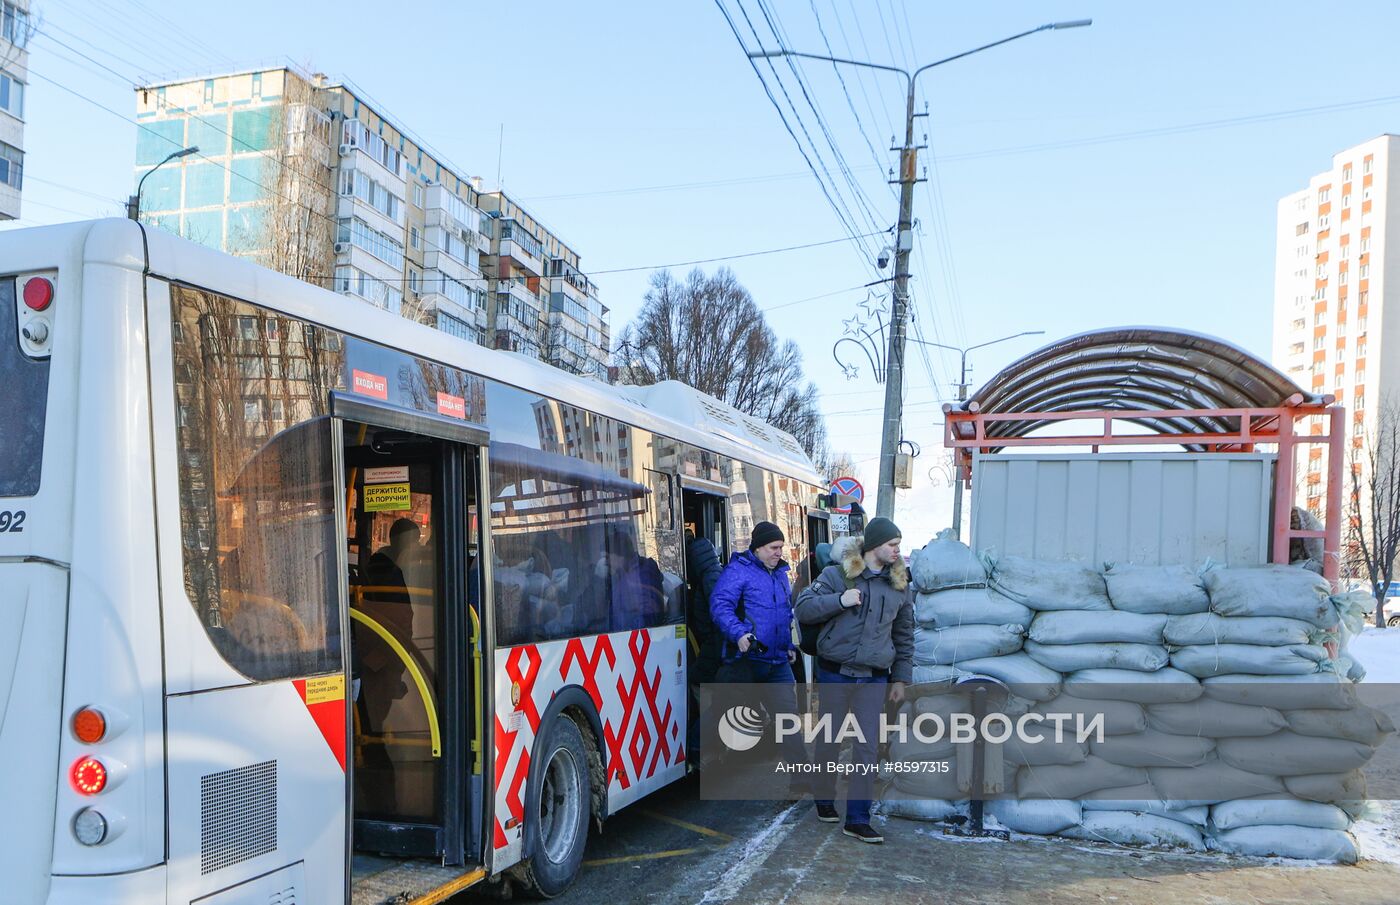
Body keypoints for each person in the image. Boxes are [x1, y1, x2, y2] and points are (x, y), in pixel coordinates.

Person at [795, 517, 915, 844]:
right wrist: (839, 601)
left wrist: (901, 678)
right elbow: (803, 609)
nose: (897, 551)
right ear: (875, 544)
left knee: (867, 747)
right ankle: (823, 797)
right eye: (892, 545)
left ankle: (858, 818)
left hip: (875, 678)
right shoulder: (837, 575)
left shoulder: (900, 586)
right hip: (834, 673)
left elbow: (904, 636)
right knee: (830, 740)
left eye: (898, 546)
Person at [710, 520, 806, 786]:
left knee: (789, 721)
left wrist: (788, 646)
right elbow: (720, 606)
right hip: (746, 662)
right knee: (726, 715)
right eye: (774, 547)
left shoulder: (780, 575)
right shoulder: (738, 571)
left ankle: (803, 780)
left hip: (777, 663)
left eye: (780, 547)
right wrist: (739, 633)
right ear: (759, 547)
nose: (779, 552)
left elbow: (784, 615)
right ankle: (702, 758)